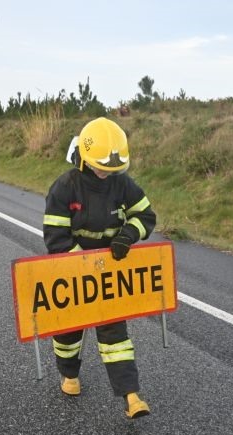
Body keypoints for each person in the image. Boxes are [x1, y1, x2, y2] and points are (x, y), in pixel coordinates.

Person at [42, 117, 156, 419]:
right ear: (86, 158)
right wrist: (82, 264)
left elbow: (145, 216)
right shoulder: (65, 187)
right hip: (72, 270)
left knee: (115, 335)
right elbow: (55, 236)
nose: (107, 173)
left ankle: (131, 396)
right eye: (102, 167)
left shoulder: (122, 183)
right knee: (68, 331)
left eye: (113, 168)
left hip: (108, 273)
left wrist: (127, 235)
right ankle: (69, 374)